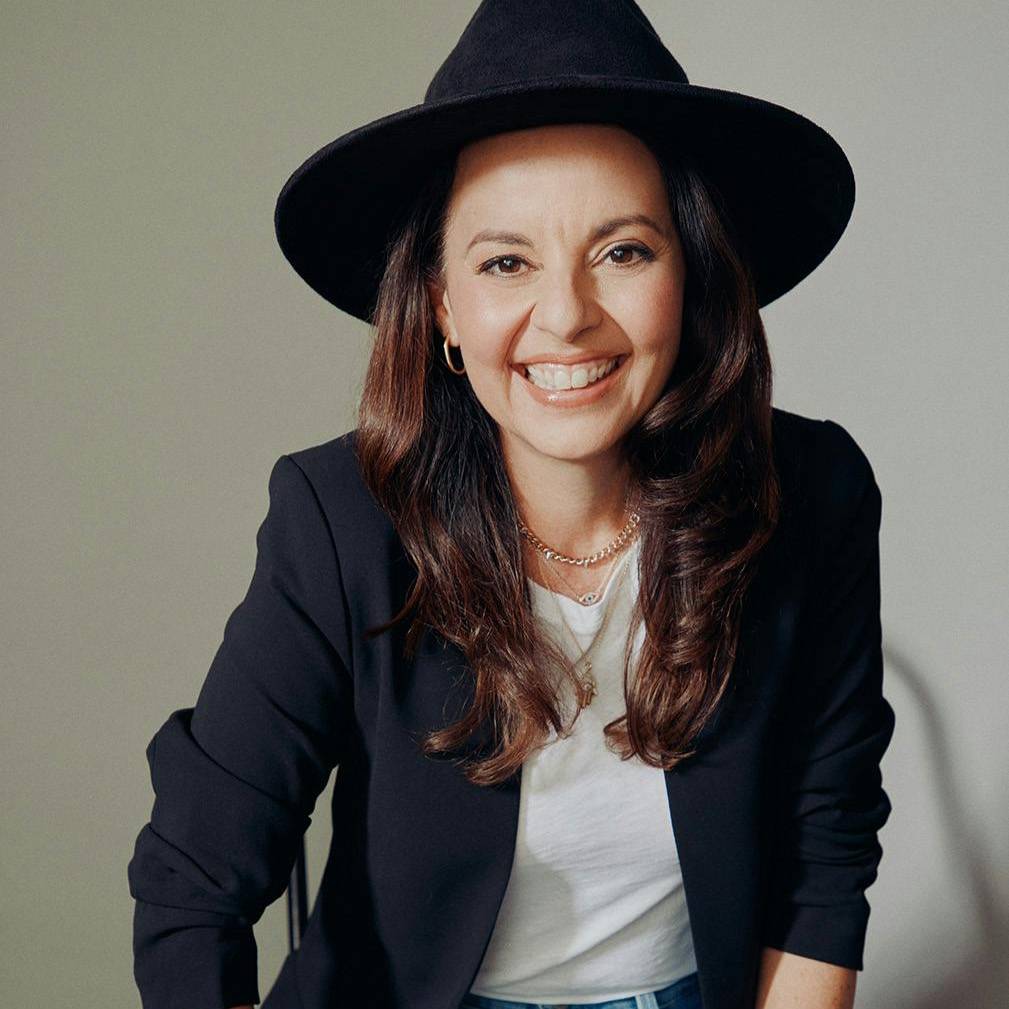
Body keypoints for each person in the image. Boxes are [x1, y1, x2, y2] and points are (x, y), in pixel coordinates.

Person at [127, 2, 896, 1008]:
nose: (567, 315)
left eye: (624, 251)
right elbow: (193, 882)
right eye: (505, 261)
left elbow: (823, 862)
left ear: (692, 272)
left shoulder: (811, 491)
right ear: (443, 304)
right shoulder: (338, 521)